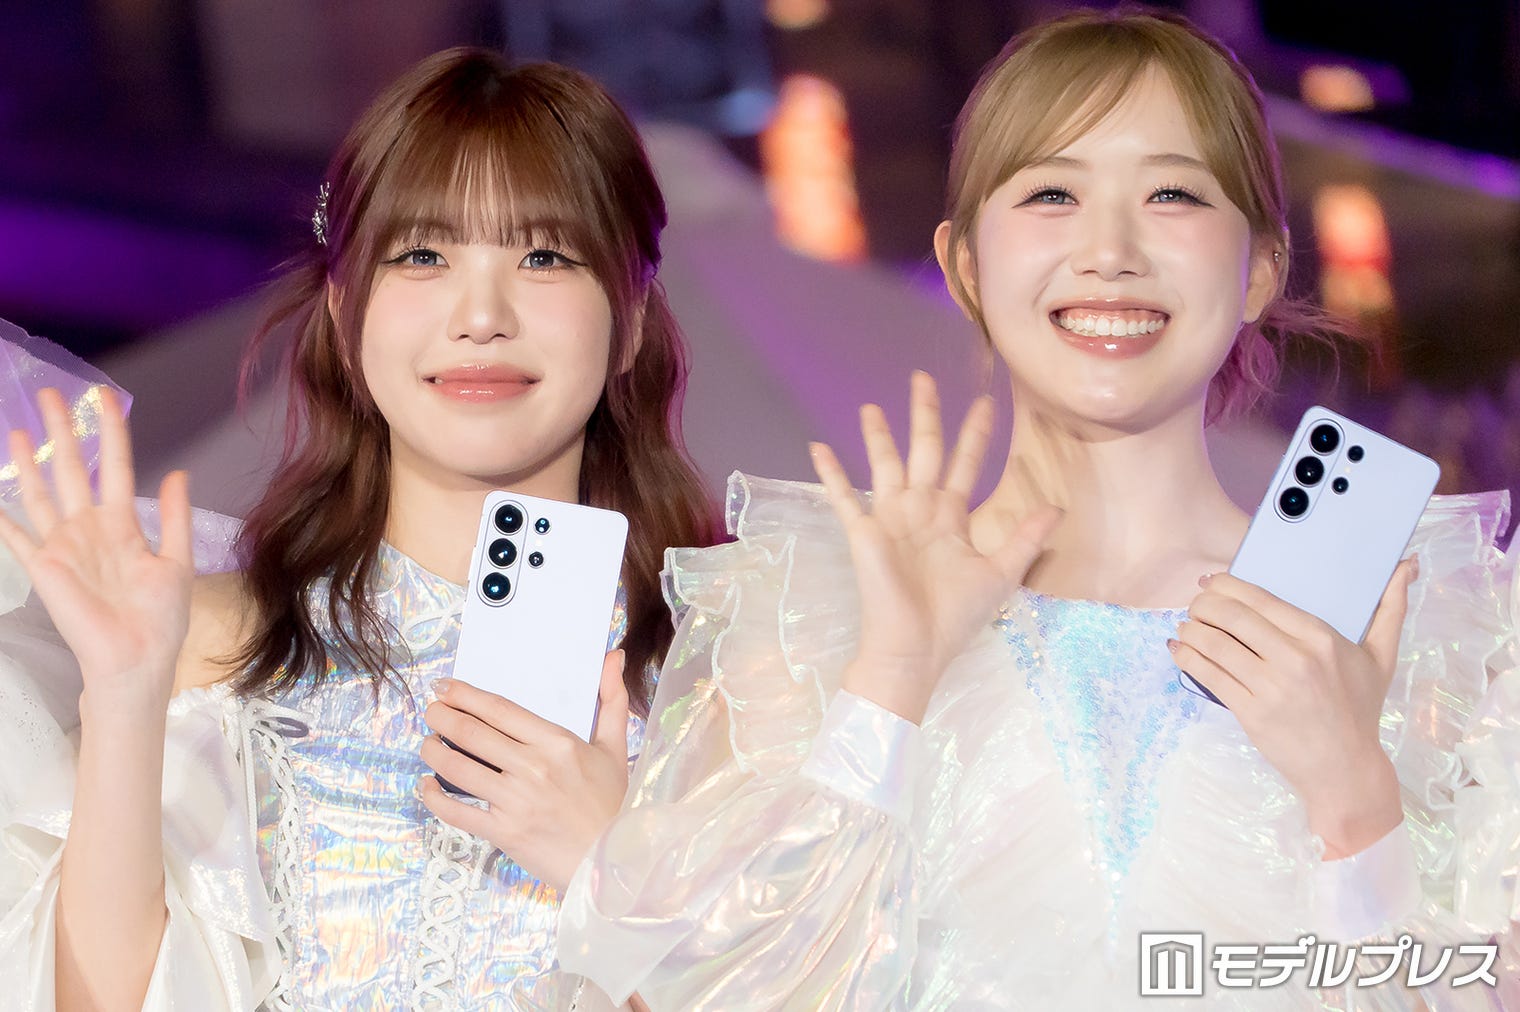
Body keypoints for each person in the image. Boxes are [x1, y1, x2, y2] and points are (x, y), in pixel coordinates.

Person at [557, 10, 1520, 1009]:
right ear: (966, 266)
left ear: (1260, 270)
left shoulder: (1411, 629)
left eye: (1173, 194)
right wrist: (889, 686)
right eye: (1052, 193)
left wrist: (1355, 801)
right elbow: (709, 990)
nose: (1109, 251)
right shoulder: (807, 621)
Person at [0, 48, 714, 1010]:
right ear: (344, 311)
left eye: (544, 256)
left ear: (631, 317)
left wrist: (608, 870)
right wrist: (126, 696)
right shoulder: (219, 641)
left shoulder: (724, 673)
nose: (481, 316)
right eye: (423, 255)